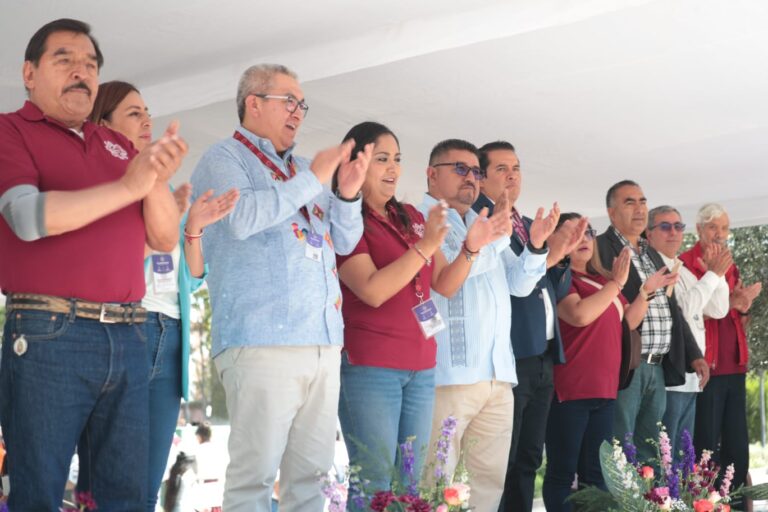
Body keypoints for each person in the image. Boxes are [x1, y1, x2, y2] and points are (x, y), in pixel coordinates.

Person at [0, 18, 187, 509]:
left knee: (125, 497)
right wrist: (129, 186)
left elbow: (164, 238)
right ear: (29, 73)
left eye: (90, 64)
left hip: (129, 333)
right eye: (65, 60)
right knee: (39, 494)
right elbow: (26, 217)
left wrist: (156, 174)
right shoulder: (9, 130)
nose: (81, 72)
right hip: (48, 333)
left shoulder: (120, 147)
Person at [190, 63, 371, 512]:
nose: (299, 112)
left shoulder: (307, 167)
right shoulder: (223, 159)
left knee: (312, 480)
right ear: (253, 103)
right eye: (288, 100)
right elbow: (243, 219)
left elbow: (345, 240)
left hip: (322, 341)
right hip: (262, 341)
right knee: (254, 479)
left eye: (301, 104)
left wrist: (346, 195)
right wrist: (312, 181)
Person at [335, 123, 508, 507]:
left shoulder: (410, 214)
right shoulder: (346, 219)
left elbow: (444, 283)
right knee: (375, 479)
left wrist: (472, 247)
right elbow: (373, 290)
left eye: (397, 159)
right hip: (371, 364)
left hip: (422, 364)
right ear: (353, 163)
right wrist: (426, 246)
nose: (393, 168)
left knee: (412, 484)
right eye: (382, 159)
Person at [89, 80, 239, 511]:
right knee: (114, 475)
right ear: (103, 125)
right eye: (133, 113)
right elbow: (100, 265)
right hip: (125, 329)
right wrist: (160, 231)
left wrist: (190, 226)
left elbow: (193, 277)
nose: (147, 121)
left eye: (147, 112)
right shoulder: (102, 187)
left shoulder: (158, 190)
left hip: (170, 334)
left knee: (148, 480)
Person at [419, 139, 556, 512]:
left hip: (499, 374)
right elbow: (447, 280)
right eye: (460, 169)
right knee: (435, 482)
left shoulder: (475, 223)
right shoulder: (423, 218)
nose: (471, 178)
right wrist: (492, 239)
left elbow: (519, 285)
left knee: (489, 485)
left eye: (476, 171)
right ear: (432, 174)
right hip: (450, 372)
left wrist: (538, 245)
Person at [473, 141, 583, 512]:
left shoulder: (520, 220)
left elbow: (541, 283)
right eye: (501, 168)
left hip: (541, 353)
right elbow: (516, 285)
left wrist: (557, 255)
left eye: (516, 168)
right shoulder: (481, 220)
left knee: (529, 457)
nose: (511, 176)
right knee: (504, 458)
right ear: (480, 175)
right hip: (511, 353)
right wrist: (545, 251)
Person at [543, 213, 673, 511]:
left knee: (597, 474)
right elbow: (579, 315)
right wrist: (616, 284)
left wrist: (646, 291)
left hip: (605, 389)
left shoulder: (602, 281)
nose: (584, 238)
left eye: (588, 232)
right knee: (563, 472)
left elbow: (628, 321)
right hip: (571, 388)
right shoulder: (561, 277)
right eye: (574, 232)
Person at [595, 180, 709, 462]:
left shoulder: (649, 252)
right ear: (611, 212)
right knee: (621, 449)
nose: (639, 208)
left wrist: (695, 355)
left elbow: (671, 308)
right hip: (626, 364)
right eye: (629, 202)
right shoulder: (601, 249)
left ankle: (650, 506)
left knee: (652, 452)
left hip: (657, 367)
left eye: (642, 201)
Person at [680, 203, 762, 507]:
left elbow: (733, 310)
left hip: (734, 366)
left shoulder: (729, 262)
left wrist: (742, 306)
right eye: (713, 227)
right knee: (706, 446)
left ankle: (738, 504)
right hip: (707, 367)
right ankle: (707, 504)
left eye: (725, 228)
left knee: (738, 447)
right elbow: (694, 311)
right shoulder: (685, 263)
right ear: (699, 229)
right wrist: (731, 302)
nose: (720, 234)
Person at [645, 205, 730, 459]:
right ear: (649, 234)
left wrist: (719, 275)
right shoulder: (653, 268)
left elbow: (718, 309)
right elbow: (681, 309)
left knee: (682, 456)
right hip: (669, 376)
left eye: (678, 226)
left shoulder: (683, 270)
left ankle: (679, 500)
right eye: (665, 226)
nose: (674, 232)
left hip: (691, 377)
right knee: (664, 455)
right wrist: (713, 274)